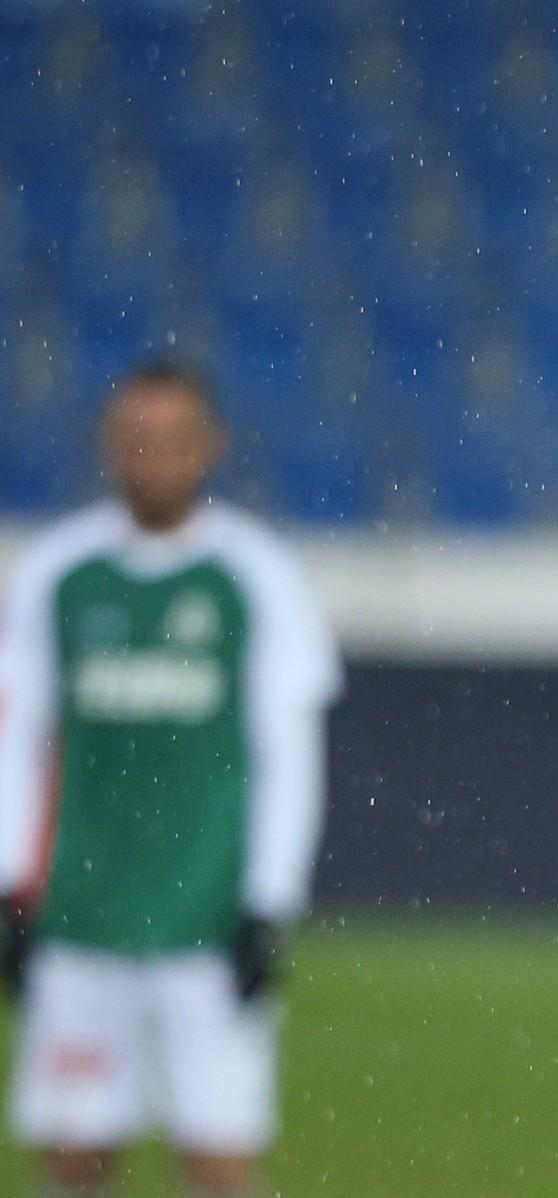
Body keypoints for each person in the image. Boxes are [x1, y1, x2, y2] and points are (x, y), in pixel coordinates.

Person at [0, 361, 341, 1198]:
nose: (150, 459)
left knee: (219, 1160)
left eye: (170, 440)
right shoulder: (60, 573)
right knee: (76, 1156)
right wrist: (9, 886)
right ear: (109, 448)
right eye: (133, 440)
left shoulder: (256, 576)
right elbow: (14, 739)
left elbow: (288, 754)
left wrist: (270, 903)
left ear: (210, 448)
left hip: (206, 921)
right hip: (82, 919)